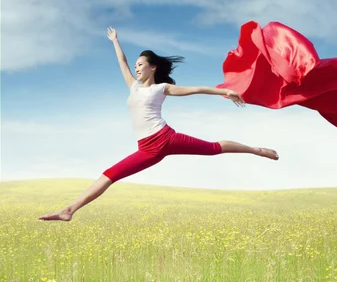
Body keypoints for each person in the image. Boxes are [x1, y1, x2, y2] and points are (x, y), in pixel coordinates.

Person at [39, 27, 279, 222]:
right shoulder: (133, 86)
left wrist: (225, 91)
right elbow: (122, 62)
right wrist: (115, 40)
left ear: (153, 67)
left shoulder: (161, 88)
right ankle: (69, 210)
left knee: (214, 148)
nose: (136, 68)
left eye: (141, 65)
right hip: (147, 149)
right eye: (136, 66)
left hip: (165, 138)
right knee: (109, 176)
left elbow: (195, 89)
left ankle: (257, 150)